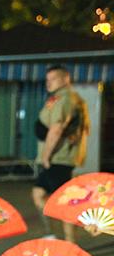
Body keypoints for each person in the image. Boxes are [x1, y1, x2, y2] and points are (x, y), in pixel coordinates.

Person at [32, 65, 89, 242]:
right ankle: (51, 235)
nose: (48, 83)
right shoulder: (65, 99)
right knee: (38, 194)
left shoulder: (64, 99)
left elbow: (56, 128)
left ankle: (70, 243)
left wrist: (46, 156)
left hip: (58, 158)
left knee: (65, 202)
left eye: (53, 79)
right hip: (58, 158)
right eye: (47, 79)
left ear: (65, 79)